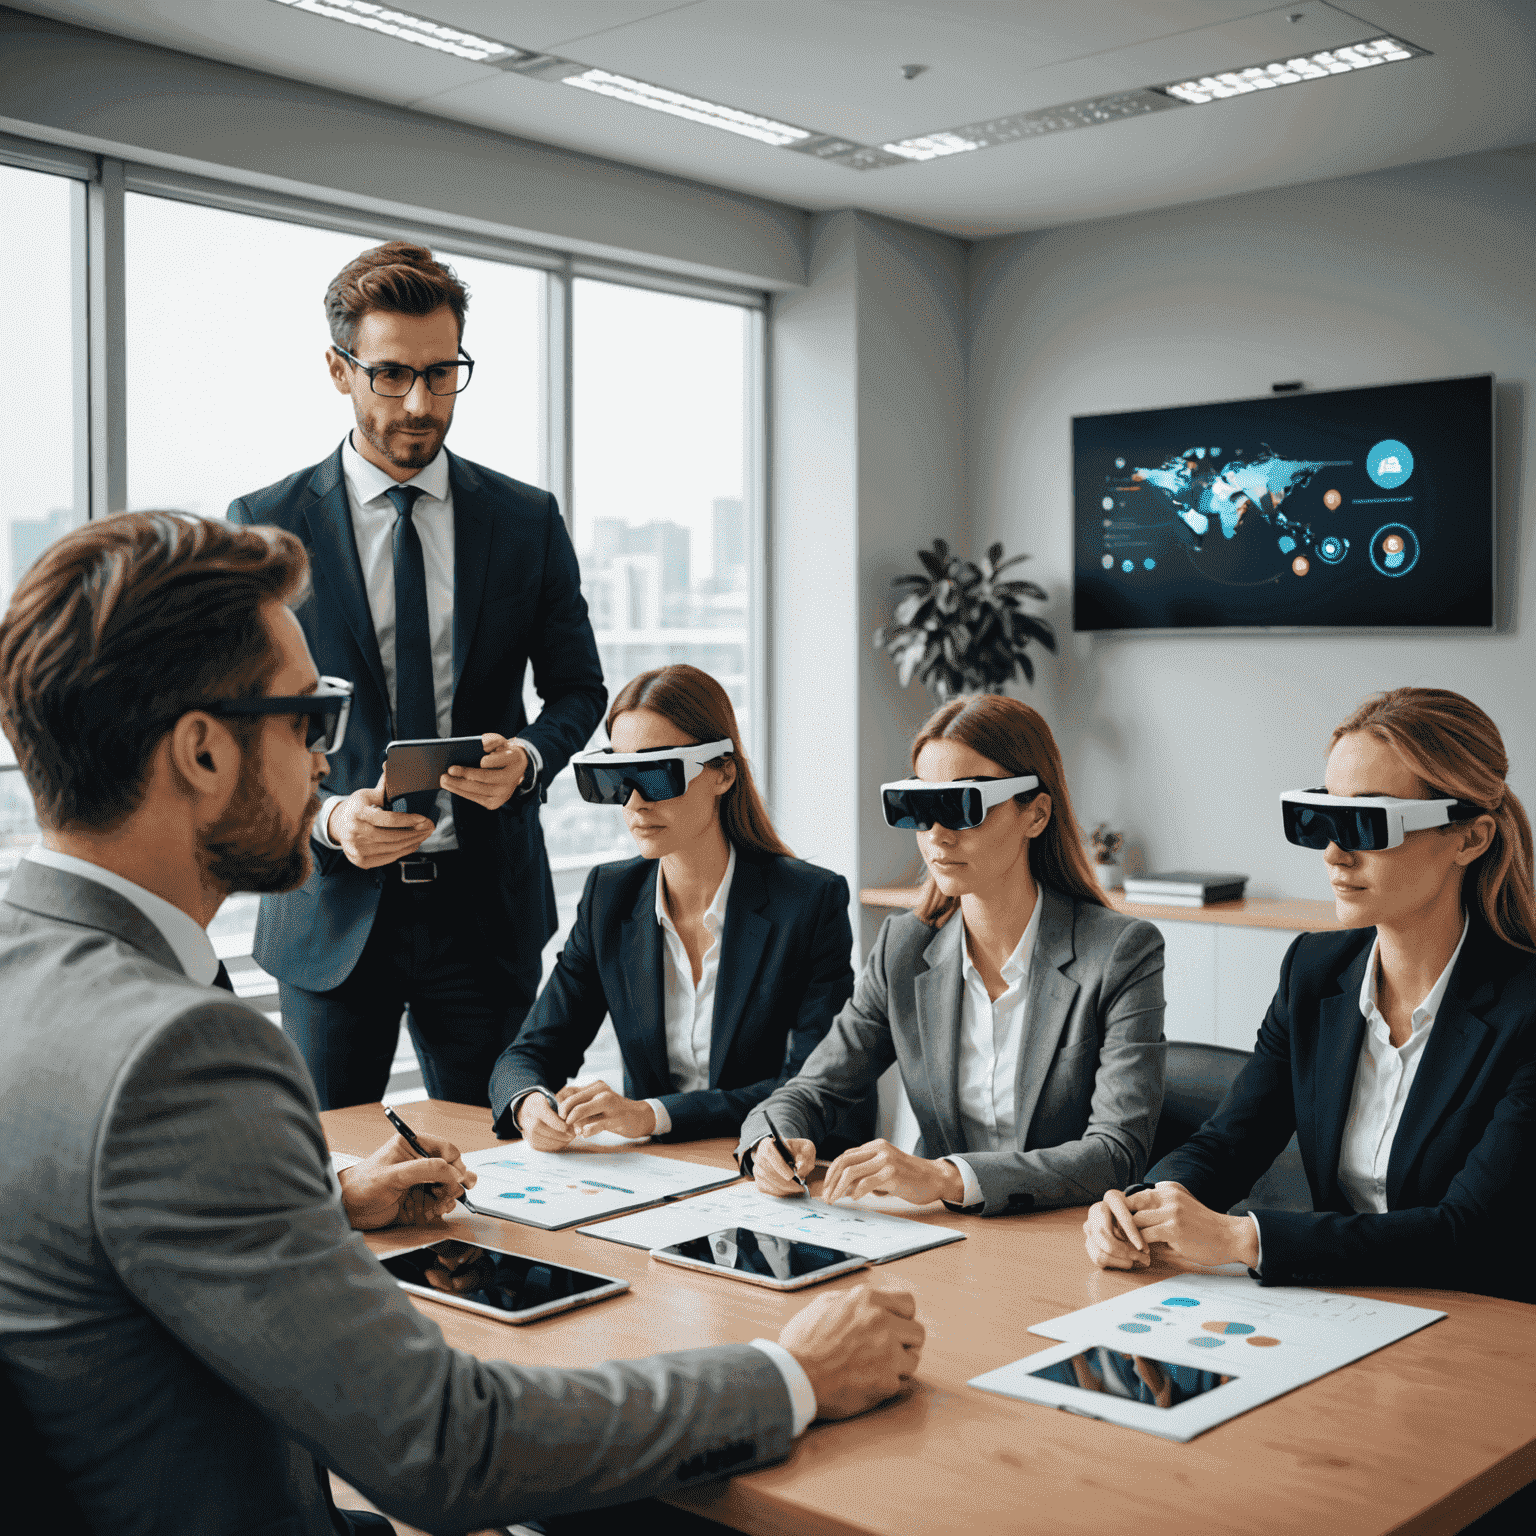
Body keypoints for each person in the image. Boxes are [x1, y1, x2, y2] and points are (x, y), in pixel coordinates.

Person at [0, 513, 924, 1535]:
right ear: (205, 753)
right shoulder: (184, 1051)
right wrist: (787, 1373)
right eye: (311, 719)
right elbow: (445, 1447)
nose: (331, 762)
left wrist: (329, 1204)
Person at [229, 240, 606, 1110]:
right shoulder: (266, 525)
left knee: (511, 1175)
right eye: (393, 374)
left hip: (485, 915)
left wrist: (532, 761)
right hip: (330, 909)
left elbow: (579, 689)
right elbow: (242, 723)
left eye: (443, 375)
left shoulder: (524, 521)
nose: (420, 403)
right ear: (339, 368)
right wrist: (326, 819)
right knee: (332, 1182)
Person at [1084, 688, 1536, 1304]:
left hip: (1486, 1333)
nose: (1333, 853)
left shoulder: (1525, 1008)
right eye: (1321, 817)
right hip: (1341, 1312)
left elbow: (1467, 1233)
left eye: (1367, 823)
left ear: (1470, 838)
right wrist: (1151, 1207)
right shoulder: (1315, 971)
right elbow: (1227, 1143)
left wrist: (1247, 1240)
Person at [741, 694, 1167, 1215]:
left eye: (963, 807)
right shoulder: (904, 948)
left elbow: (1116, 1154)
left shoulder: (1121, 952)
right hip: (942, 1238)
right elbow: (810, 1091)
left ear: (1035, 813)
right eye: (920, 808)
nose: (937, 835)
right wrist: (771, 1141)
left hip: (1065, 1239)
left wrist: (947, 1176)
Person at [490, 664, 863, 1147]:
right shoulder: (610, 896)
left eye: (658, 774)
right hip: (656, 1180)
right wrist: (531, 1102)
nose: (635, 802)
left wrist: (653, 1115)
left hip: (769, 1169)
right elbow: (528, 1055)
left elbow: (813, 1089)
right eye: (618, 777)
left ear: (723, 772)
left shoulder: (810, 903)